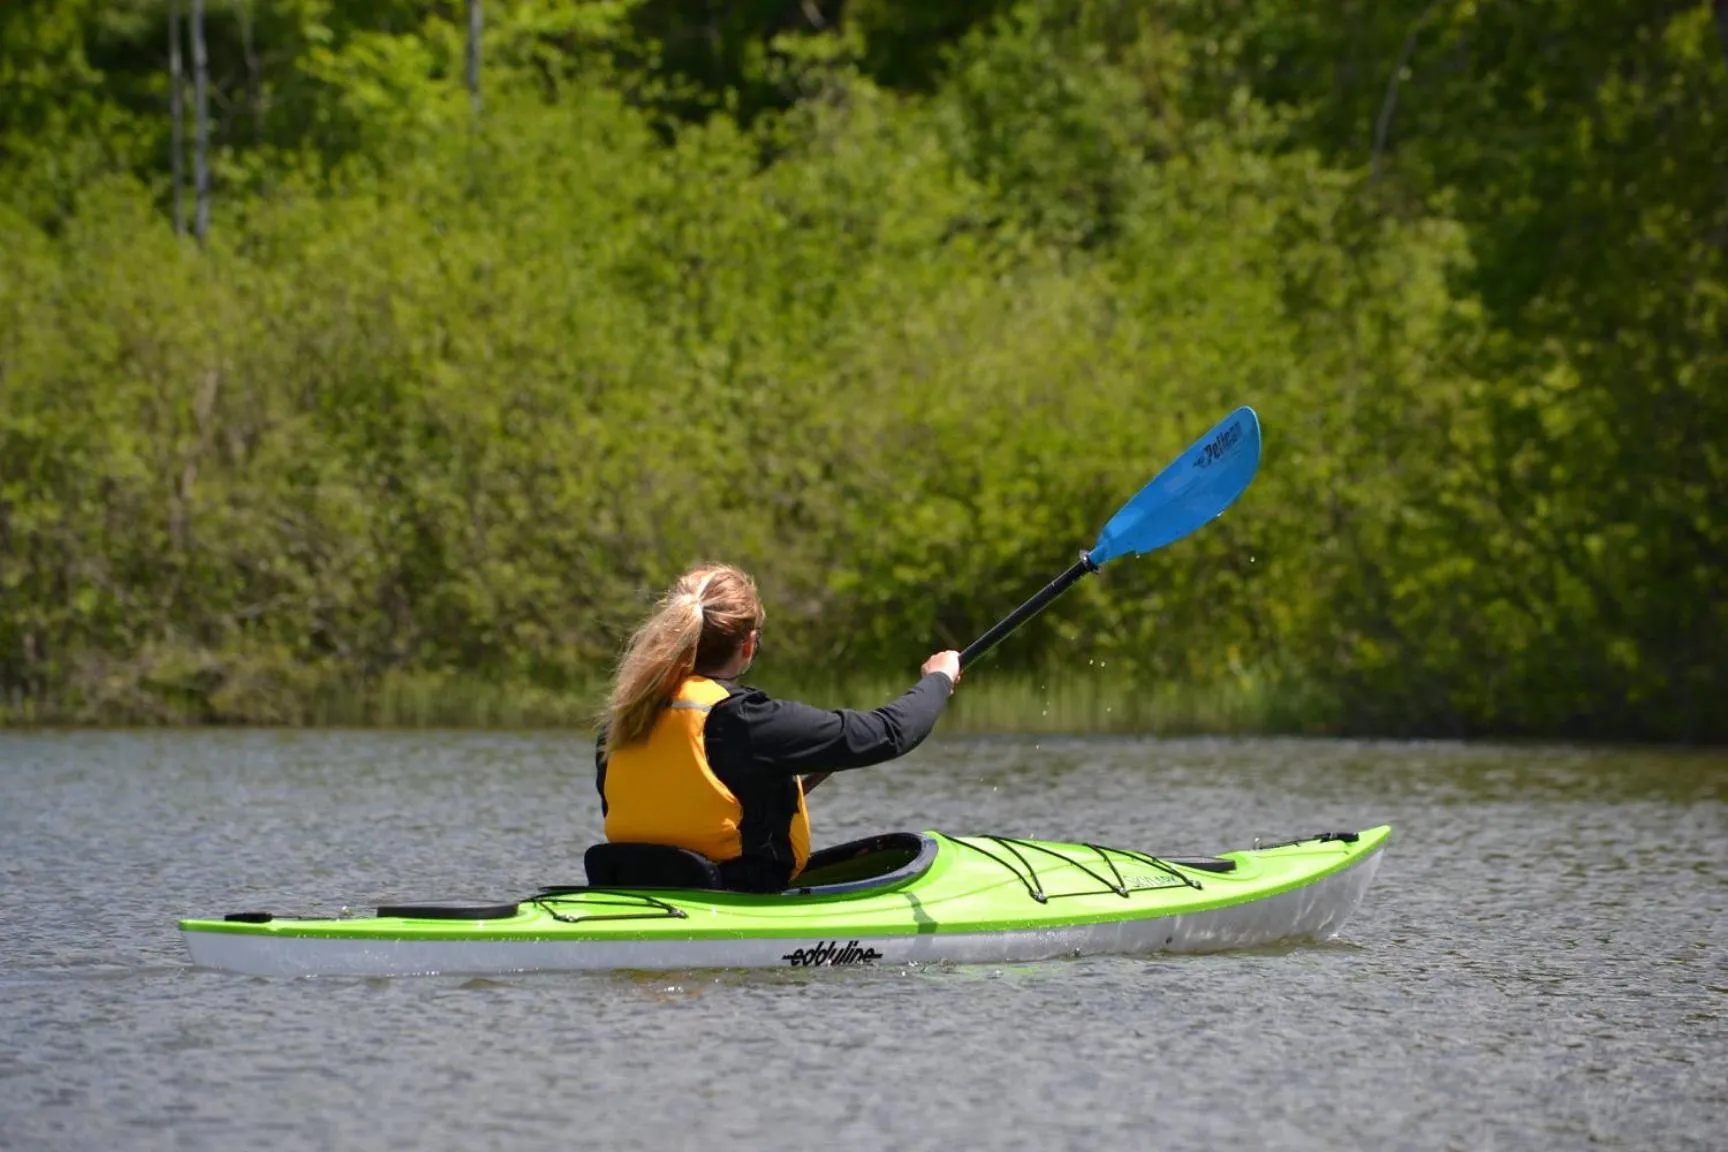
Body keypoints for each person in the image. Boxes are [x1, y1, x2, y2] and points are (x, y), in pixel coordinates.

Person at [596, 561, 960, 893]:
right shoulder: (745, 721)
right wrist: (939, 679)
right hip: (731, 893)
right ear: (749, 645)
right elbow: (890, 733)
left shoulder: (625, 717)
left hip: (629, 885)